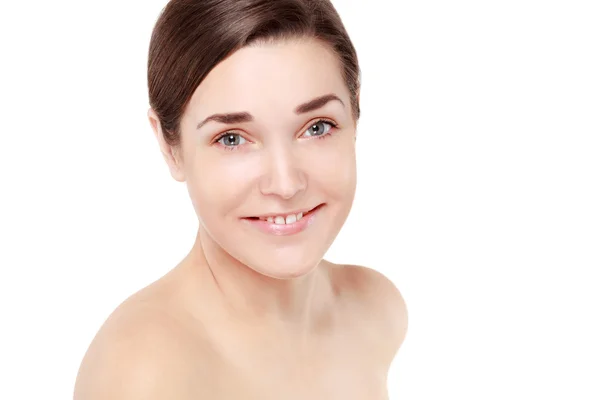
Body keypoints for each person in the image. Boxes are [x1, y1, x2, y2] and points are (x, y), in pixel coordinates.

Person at [73, 0, 408, 398]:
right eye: (231, 138)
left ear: (355, 119)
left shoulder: (375, 307)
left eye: (317, 127)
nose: (285, 184)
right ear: (169, 146)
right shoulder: (142, 372)